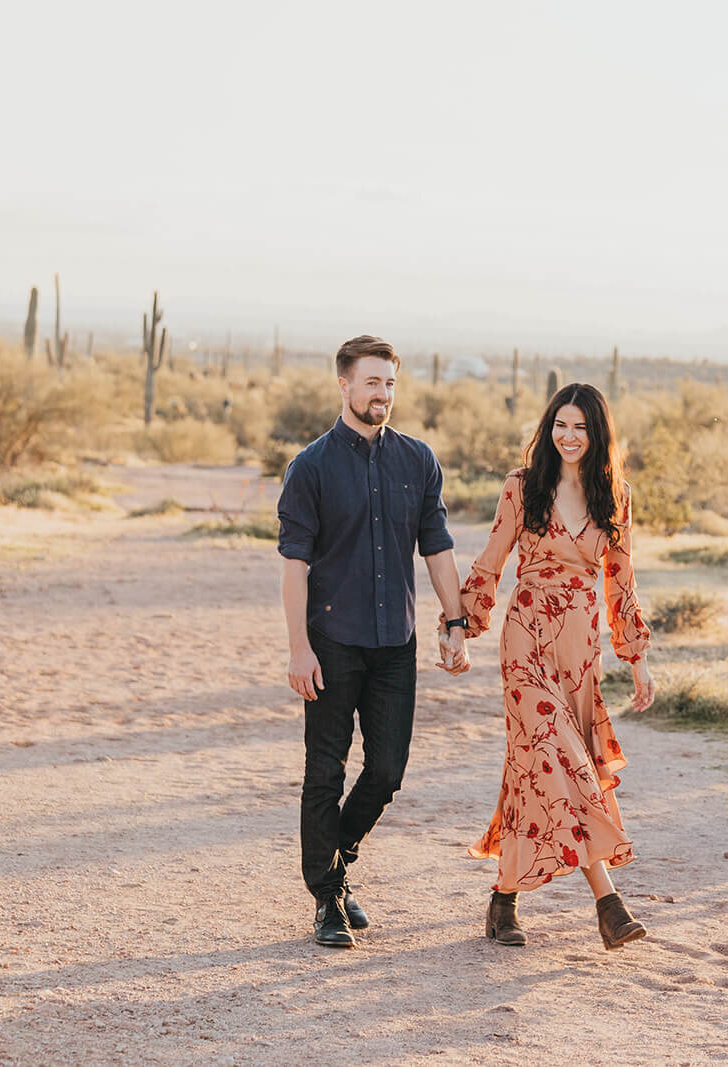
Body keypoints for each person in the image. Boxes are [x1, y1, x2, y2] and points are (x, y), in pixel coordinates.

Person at [444, 382, 655, 950]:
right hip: (527, 641)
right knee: (560, 758)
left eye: (580, 427)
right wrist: (460, 627)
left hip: (580, 651)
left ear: (597, 434)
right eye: (560, 424)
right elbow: (490, 563)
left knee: (534, 769)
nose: (568, 436)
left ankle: (503, 901)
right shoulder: (523, 486)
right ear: (548, 427)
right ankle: (608, 903)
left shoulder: (616, 496)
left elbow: (621, 585)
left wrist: (636, 661)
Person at [277, 335, 469, 948]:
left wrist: (455, 621)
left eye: (389, 383)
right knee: (324, 772)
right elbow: (293, 568)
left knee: (386, 771)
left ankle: (337, 868)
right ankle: (327, 899)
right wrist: (298, 649)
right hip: (331, 642)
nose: (381, 394)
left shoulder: (417, 460)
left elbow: (437, 549)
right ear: (343, 385)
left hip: (395, 644)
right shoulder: (309, 467)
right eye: (370, 383)